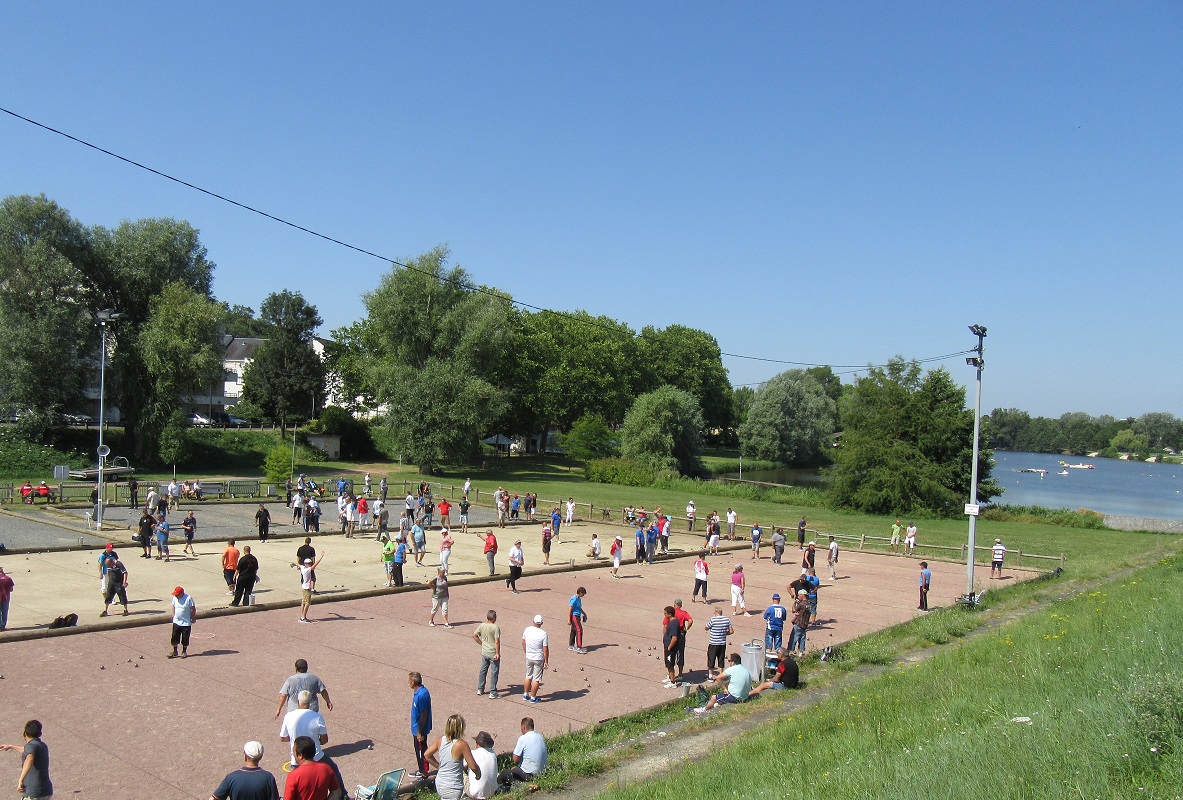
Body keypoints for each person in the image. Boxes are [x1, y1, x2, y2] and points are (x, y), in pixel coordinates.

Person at [425, 715, 482, 800]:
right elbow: (473, 766)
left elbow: (427, 755)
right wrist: (478, 774)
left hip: (440, 783)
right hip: (453, 786)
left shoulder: (440, 740)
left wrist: (439, 767)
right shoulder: (462, 744)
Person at [209, 740, 279, 800]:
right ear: (261, 757)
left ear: (245, 756)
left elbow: (214, 798)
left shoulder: (232, 778)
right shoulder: (268, 778)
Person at [0, 720, 52, 800]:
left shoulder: (31, 747)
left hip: (34, 793)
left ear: (24, 733)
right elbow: (28, 751)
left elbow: (30, 758)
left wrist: (21, 780)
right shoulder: (42, 746)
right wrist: (11, 746)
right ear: (40, 734)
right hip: (46, 791)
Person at [497, 718, 547, 790]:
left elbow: (515, 759)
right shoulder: (539, 736)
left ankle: (499, 787)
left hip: (529, 774)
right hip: (542, 772)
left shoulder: (523, 738)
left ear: (524, 727)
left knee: (505, 773)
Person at [408, 672, 432, 779]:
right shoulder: (419, 692)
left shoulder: (421, 695)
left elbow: (424, 714)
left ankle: (424, 773)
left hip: (420, 730)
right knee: (419, 750)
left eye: (409, 681)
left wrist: (419, 732)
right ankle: (422, 770)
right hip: (417, 728)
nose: (408, 682)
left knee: (422, 750)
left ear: (413, 682)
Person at [522, 615, 550, 703]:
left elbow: (523, 642)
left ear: (533, 621)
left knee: (528, 676)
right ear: (541, 623)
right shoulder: (543, 633)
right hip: (538, 658)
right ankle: (533, 698)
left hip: (529, 656)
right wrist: (546, 661)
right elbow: (545, 649)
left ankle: (526, 694)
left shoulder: (527, 629)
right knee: (536, 679)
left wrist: (526, 652)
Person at [474, 610, 501, 698]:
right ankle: (493, 692)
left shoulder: (482, 625)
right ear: (493, 618)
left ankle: (480, 689)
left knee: (483, 670)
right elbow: (497, 641)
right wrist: (497, 653)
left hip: (485, 652)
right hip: (492, 653)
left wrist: (481, 643)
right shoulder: (495, 627)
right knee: (494, 672)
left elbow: (474, 635)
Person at [467, 731, 498, 800]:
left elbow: (463, 766)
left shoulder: (473, 753)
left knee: (461, 774)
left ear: (477, 744)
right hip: (491, 792)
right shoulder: (493, 754)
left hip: (475, 793)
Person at [169, 585, 196, 658]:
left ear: (182, 593)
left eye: (177, 594)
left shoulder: (188, 598)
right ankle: (175, 651)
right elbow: (173, 606)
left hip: (186, 622)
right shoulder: (175, 598)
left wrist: (192, 617)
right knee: (174, 637)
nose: (176, 596)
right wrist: (173, 615)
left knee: (185, 638)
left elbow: (193, 609)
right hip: (176, 622)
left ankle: (184, 651)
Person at [704, 606, 733, 672]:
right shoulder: (726, 619)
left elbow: (706, 627)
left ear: (715, 612)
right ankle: (721, 675)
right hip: (722, 643)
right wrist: (724, 633)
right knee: (721, 659)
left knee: (711, 659)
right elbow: (731, 631)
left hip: (713, 642)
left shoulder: (713, 619)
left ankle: (710, 676)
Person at [299, 553, 324, 623]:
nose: (310, 564)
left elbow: (298, 565)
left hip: (303, 587)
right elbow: (316, 564)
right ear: (306, 564)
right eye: (309, 563)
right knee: (307, 603)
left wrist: (294, 564)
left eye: (310, 563)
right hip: (307, 588)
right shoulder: (307, 570)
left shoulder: (303, 568)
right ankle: (303, 617)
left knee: (303, 602)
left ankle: (302, 616)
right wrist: (321, 557)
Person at [672, 598, 693, 679]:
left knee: (671, 652)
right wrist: (687, 628)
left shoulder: (672, 612)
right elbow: (690, 621)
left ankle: (672, 674)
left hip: (673, 633)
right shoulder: (684, 613)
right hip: (681, 633)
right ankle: (680, 673)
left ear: (674, 604)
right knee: (680, 653)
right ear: (681, 605)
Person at [661, 605, 681, 688]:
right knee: (668, 663)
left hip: (671, 647)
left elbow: (674, 638)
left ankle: (673, 682)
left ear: (670, 614)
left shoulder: (673, 623)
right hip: (668, 646)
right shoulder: (672, 622)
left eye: (665, 613)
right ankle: (670, 677)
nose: (664, 615)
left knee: (670, 664)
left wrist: (669, 647)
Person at [788, 589, 809, 656]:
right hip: (805, 623)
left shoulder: (801, 604)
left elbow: (793, 610)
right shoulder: (809, 604)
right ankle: (801, 652)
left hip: (798, 623)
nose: (798, 597)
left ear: (802, 595)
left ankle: (791, 651)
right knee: (802, 638)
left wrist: (794, 603)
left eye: (799, 595)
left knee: (794, 638)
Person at [568, 587, 588, 654]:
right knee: (579, 631)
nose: (583, 595)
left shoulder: (578, 599)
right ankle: (579, 647)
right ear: (580, 593)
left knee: (573, 630)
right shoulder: (574, 599)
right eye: (583, 594)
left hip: (577, 616)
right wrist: (569, 620)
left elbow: (579, 608)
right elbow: (570, 609)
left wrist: (584, 613)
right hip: (575, 617)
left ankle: (571, 645)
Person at [0, 566, 13, 632]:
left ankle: (0, 625)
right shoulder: (8, 578)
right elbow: (11, 589)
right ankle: (3, 626)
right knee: (4, 612)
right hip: (5, 598)